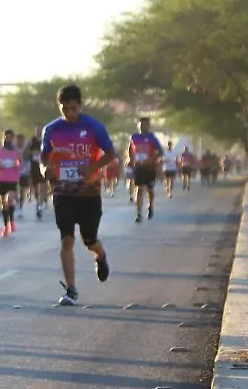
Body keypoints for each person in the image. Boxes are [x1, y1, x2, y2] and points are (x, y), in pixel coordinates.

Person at [41, 84, 116, 306]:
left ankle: (100, 256)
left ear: (80, 105)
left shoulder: (93, 127)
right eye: (65, 109)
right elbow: (44, 157)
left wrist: (92, 168)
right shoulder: (52, 129)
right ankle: (71, 289)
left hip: (89, 192)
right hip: (63, 191)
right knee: (66, 239)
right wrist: (44, 169)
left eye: (73, 108)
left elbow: (111, 153)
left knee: (89, 240)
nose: (69, 113)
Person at [127, 118, 164, 223]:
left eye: (144, 125)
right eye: (140, 125)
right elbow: (130, 148)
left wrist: (151, 159)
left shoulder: (152, 138)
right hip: (139, 166)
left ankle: (150, 206)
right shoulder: (134, 137)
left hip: (150, 167)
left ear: (148, 126)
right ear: (138, 125)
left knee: (150, 189)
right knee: (139, 189)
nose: (142, 127)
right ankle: (139, 214)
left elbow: (160, 152)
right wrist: (131, 159)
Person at [0, 128, 23, 237]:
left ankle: (12, 221)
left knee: (10, 199)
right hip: (1, 179)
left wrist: (16, 165)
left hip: (13, 178)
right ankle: (5, 226)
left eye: (10, 137)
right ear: (3, 137)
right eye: (6, 136)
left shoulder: (16, 151)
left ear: (13, 138)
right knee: (4, 203)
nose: (8, 139)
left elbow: (21, 165)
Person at [25, 125, 48, 219]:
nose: (38, 131)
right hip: (34, 166)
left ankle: (40, 205)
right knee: (35, 188)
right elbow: (25, 152)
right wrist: (33, 152)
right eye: (36, 130)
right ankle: (38, 201)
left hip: (44, 166)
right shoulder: (32, 141)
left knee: (43, 186)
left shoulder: (46, 139)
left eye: (40, 129)